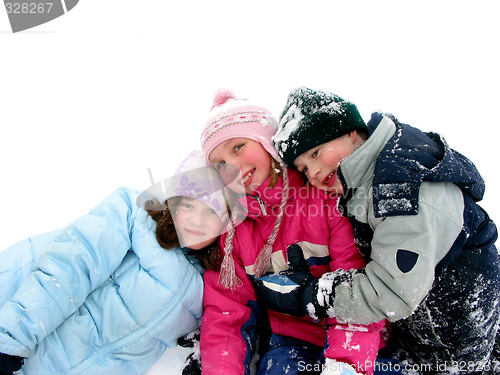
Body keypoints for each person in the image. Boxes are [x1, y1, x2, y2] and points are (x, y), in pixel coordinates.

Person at [254, 86, 500, 373]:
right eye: (304, 169)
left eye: (317, 153)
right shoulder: (367, 177)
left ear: (349, 132)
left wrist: (313, 296)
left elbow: (390, 291)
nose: (315, 173)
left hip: (452, 344)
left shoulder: (399, 186)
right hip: (419, 329)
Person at [199, 89, 388, 375]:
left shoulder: (325, 199)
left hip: (362, 341)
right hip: (291, 344)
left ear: (267, 142)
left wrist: (345, 367)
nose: (233, 167)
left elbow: (357, 285)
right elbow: (226, 317)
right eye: (220, 164)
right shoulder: (233, 235)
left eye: (238, 147)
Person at [0, 150, 233, 375]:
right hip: (12, 321)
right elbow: (71, 267)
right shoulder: (136, 215)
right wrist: (11, 336)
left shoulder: (212, 281)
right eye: (188, 205)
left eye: (211, 212)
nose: (197, 220)